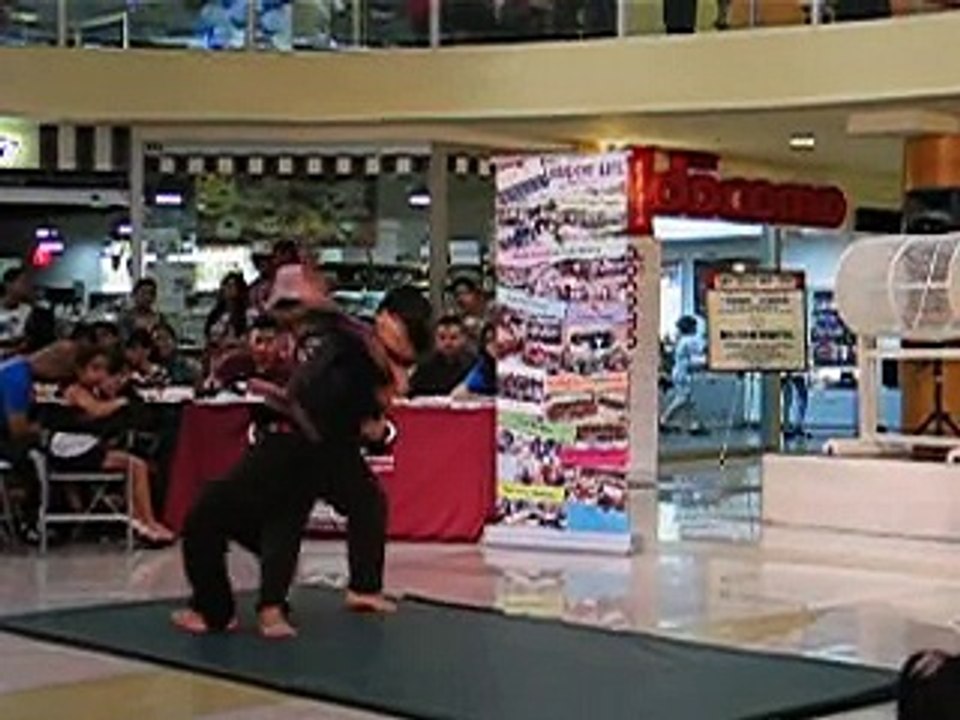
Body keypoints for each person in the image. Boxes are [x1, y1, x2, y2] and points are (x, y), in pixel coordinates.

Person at [173, 285, 432, 639]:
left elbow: (377, 404)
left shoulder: (366, 351)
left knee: (316, 509)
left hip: (308, 443)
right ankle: (263, 604)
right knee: (270, 516)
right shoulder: (353, 344)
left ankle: (238, 609)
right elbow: (335, 340)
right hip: (303, 440)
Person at [50, 345, 174, 543]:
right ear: (79, 370)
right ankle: (147, 521)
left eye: (103, 369)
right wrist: (120, 402)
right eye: (94, 368)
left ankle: (143, 520)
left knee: (136, 463)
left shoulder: (93, 391)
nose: (100, 374)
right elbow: (97, 410)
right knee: (137, 466)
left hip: (87, 446)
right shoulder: (75, 390)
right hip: (72, 451)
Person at [206, 315, 290, 390]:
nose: (263, 348)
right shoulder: (233, 363)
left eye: (269, 341)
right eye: (258, 341)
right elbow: (211, 386)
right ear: (249, 342)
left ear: (280, 343)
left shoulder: (288, 370)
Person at [659, 315, 706, 434]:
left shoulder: (681, 340)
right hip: (682, 373)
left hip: (679, 371)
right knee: (682, 399)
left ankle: (694, 424)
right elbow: (702, 350)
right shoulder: (689, 340)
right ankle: (664, 419)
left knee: (689, 401)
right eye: (695, 326)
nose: (696, 328)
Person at [409, 315, 474, 397]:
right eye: (442, 338)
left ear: (464, 339)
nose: (447, 343)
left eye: (453, 338)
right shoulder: (424, 365)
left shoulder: (473, 365)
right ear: (435, 339)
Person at [205, 272, 251, 352]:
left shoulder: (248, 314)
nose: (227, 289)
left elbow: (248, 340)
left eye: (231, 286)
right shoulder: (215, 314)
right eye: (225, 285)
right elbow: (208, 335)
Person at [0, 266, 35, 358]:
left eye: (27, 283)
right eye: (22, 282)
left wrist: (13, 350)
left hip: (15, 356)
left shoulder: (28, 310)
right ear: (8, 284)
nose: (26, 286)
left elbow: (28, 340)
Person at [454, 322, 497, 398]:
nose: (493, 344)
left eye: (496, 339)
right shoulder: (484, 365)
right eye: (488, 341)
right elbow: (457, 393)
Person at [450, 276, 489, 343]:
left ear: (477, 293)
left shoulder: (493, 312)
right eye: (456, 295)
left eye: (464, 293)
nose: (460, 299)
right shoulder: (458, 321)